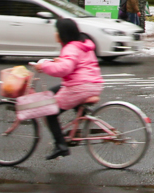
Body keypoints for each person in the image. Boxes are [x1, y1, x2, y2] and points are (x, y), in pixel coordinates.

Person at [31, 17, 104, 160]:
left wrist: (44, 66)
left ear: (62, 34)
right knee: (52, 92)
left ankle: (61, 145)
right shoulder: (83, 44)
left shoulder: (70, 48)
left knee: (49, 111)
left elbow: (64, 69)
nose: (55, 34)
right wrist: (60, 61)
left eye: (56, 31)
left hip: (79, 87)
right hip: (92, 84)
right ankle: (80, 114)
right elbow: (75, 63)